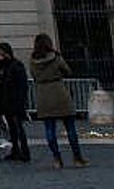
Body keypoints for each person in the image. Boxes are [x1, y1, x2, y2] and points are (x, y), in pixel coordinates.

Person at [30, 33, 88, 169]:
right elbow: (67, 71)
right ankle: (77, 158)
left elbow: (33, 75)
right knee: (70, 127)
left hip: (43, 94)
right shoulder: (56, 57)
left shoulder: (33, 61)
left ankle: (57, 159)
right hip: (59, 91)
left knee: (49, 129)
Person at [0, 41, 30, 162]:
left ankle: (24, 152)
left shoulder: (16, 66)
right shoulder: (2, 67)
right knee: (12, 128)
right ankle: (15, 150)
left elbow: (22, 85)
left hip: (15, 101)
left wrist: (20, 101)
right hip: (6, 102)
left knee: (18, 128)